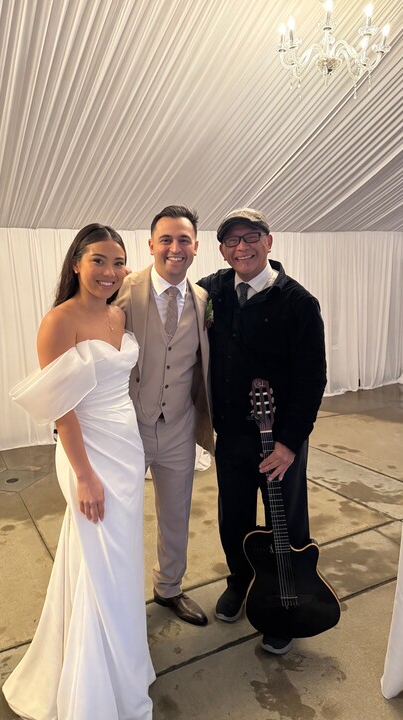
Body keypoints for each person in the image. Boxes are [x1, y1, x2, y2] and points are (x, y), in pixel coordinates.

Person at [3, 224, 155, 720]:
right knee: (99, 557)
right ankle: (93, 687)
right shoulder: (59, 321)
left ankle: (120, 663)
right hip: (85, 451)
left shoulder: (118, 314)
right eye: (98, 261)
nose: (109, 272)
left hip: (126, 448)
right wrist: (84, 475)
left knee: (115, 559)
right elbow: (62, 410)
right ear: (76, 263)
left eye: (118, 262)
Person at [198, 208, 327, 654]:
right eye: (232, 241)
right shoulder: (214, 290)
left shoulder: (298, 303)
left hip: (280, 439)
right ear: (222, 250)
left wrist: (290, 443)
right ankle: (240, 580)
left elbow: (312, 378)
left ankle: (286, 595)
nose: (242, 247)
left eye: (251, 237)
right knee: (233, 516)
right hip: (232, 435)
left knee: (285, 520)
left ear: (269, 242)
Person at [116, 205, 213, 626]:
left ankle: (169, 587)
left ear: (196, 246)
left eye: (184, 240)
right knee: (118, 519)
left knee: (176, 514)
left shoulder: (203, 299)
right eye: (167, 240)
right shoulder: (122, 289)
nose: (176, 248)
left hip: (179, 426)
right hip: (128, 427)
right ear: (151, 245)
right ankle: (116, 599)